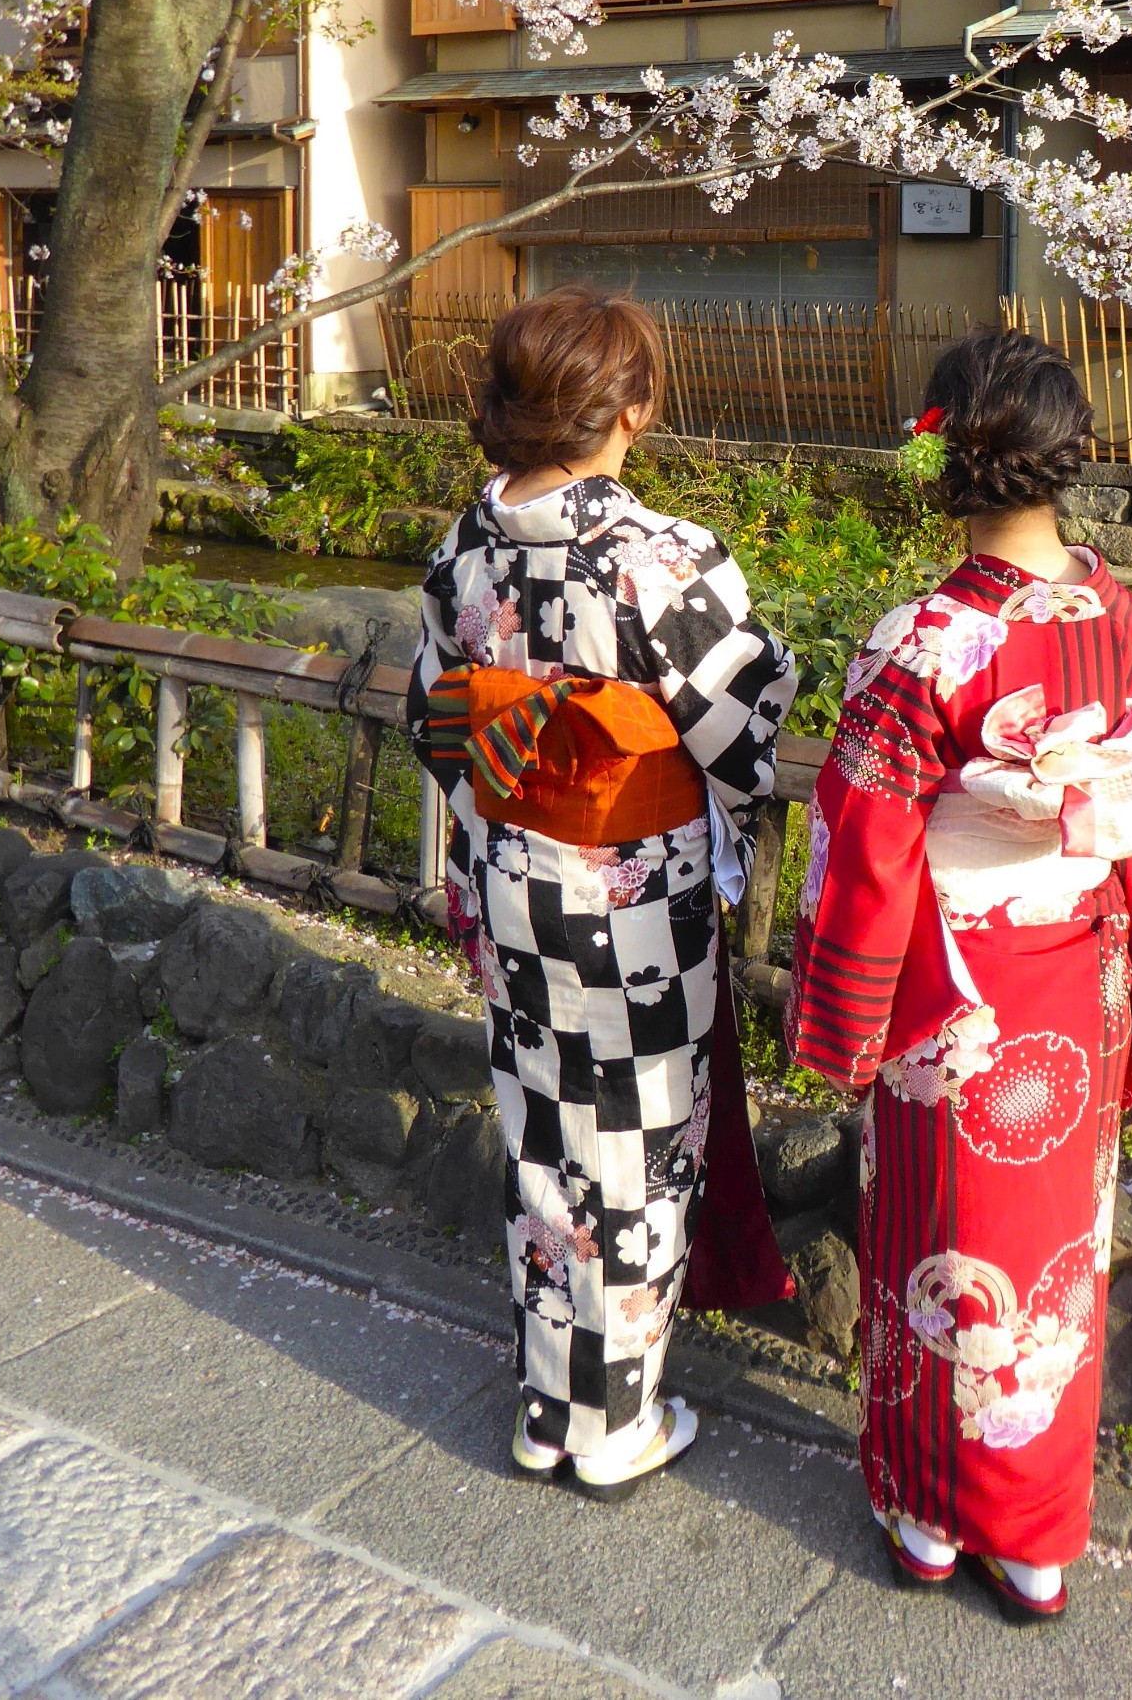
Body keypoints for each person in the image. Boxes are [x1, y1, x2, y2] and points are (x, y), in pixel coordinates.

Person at [784, 325, 1132, 1624]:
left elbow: (862, 840)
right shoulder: (1124, 621)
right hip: (1072, 980)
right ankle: (1034, 1543)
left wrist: (845, 1015)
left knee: (930, 1239)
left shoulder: (917, 640)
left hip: (945, 989)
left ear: (944, 457)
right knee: (1052, 1267)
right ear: (1065, 458)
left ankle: (922, 1514)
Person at [407, 286, 796, 1494]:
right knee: (632, 1142)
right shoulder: (656, 554)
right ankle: (611, 1420)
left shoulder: (461, 548)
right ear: (631, 409)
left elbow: (436, 719)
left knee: (541, 1131)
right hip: (632, 899)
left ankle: (547, 1401)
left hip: (513, 872)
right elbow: (745, 720)